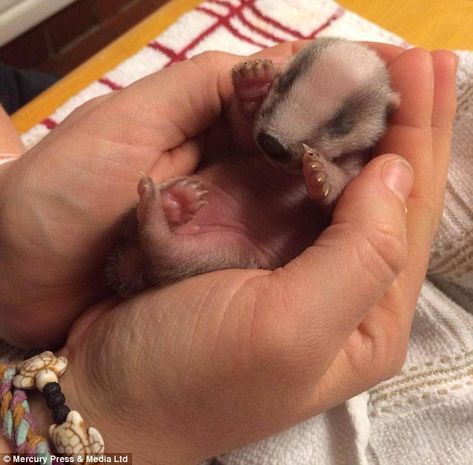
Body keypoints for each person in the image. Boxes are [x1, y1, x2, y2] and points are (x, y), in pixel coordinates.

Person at [0, 41, 457, 464]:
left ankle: (159, 240)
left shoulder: (356, 161)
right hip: (215, 199)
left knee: (216, 245)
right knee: (183, 218)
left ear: (378, 118)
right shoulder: (258, 132)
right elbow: (245, 134)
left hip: (250, 245)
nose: (275, 137)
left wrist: (330, 183)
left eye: (332, 125)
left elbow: (342, 196)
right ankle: (156, 238)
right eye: (279, 99)